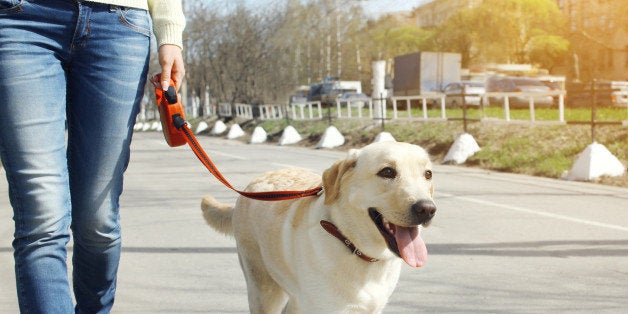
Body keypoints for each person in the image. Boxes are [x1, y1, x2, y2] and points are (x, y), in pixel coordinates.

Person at [0, 0, 185, 312]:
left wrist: (169, 34)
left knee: (98, 220)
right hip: (20, 20)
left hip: (119, 25)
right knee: (41, 218)